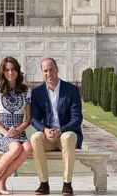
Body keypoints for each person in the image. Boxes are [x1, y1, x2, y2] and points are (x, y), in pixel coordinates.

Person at [30, 58, 83, 196]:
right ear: (42, 72)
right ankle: (43, 183)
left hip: (65, 134)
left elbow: (77, 119)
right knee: (35, 138)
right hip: (48, 136)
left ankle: (67, 184)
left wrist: (61, 131)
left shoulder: (71, 90)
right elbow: (34, 118)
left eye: (51, 69)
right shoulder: (37, 92)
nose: (49, 73)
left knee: (69, 136)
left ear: (57, 69)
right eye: (45, 71)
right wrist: (44, 130)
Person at [0, 57, 33, 195]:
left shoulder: (26, 90)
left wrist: (18, 130)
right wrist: (6, 133)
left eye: (13, 69)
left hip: (19, 134)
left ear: (18, 71)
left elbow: (28, 118)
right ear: (2, 72)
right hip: (2, 135)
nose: (10, 72)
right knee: (16, 147)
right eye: (7, 70)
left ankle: (2, 180)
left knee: (28, 147)